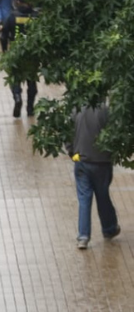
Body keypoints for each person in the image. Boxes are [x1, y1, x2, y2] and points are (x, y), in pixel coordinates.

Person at [68, 103, 121, 249]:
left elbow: (68, 133)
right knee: (102, 196)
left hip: (81, 160)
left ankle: (83, 237)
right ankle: (109, 228)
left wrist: (71, 152)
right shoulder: (105, 110)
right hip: (102, 161)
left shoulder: (76, 108)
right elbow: (115, 134)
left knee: (84, 199)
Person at [0, 0, 38, 118]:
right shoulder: (36, 16)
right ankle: (30, 108)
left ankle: (17, 97)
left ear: (18, 2)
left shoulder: (12, 16)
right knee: (31, 81)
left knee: (15, 79)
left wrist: (5, 51)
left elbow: (3, 36)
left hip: (16, 53)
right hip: (32, 54)